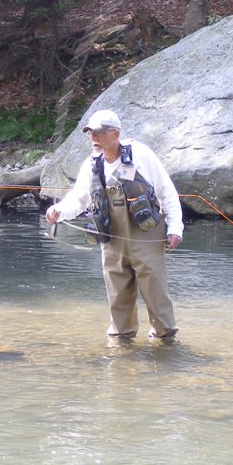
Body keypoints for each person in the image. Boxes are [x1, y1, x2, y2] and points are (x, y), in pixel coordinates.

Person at [45, 109, 183, 339]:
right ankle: (121, 344)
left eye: (99, 133)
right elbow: (79, 199)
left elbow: (166, 191)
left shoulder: (140, 154)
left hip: (146, 235)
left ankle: (165, 340)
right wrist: (58, 212)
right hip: (111, 239)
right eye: (90, 133)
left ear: (116, 134)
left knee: (155, 291)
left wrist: (175, 227)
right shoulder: (92, 164)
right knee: (117, 295)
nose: (93, 138)